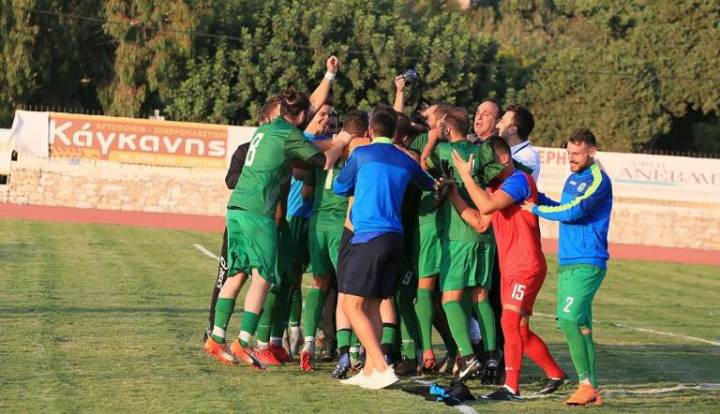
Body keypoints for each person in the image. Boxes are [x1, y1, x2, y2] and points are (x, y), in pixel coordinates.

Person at [203, 88, 352, 368]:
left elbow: (295, 156)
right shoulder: (289, 133)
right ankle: (243, 342)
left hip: (236, 208)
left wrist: (326, 142)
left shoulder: (265, 130)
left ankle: (216, 337)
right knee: (263, 278)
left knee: (237, 273)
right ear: (299, 115)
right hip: (259, 212)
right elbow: (324, 162)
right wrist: (341, 141)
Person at [451, 137, 565, 400]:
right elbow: (480, 222)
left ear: (504, 158)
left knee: (509, 321)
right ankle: (555, 373)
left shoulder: (519, 181)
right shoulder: (497, 187)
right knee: (519, 329)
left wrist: (466, 177)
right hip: (511, 268)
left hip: (526, 264)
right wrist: (454, 196)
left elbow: (487, 205)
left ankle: (511, 387)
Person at [333, 105, 436, 390]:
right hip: (395, 239)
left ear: (369, 131)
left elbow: (339, 187)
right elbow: (429, 183)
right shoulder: (405, 159)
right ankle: (369, 371)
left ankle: (380, 366)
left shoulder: (362, 154)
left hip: (369, 237)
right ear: (395, 132)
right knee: (374, 304)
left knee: (352, 304)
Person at [522, 128, 612, 407]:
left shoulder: (599, 180)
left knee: (569, 318)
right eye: (569, 153)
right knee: (578, 324)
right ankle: (592, 388)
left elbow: (574, 212)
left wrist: (535, 209)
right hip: (568, 262)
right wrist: (539, 198)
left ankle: (585, 383)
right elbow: (564, 206)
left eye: (577, 153)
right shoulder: (573, 178)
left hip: (588, 261)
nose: (571, 158)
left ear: (592, 152)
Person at [301, 109, 370, 373]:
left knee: (318, 284)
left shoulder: (326, 148)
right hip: (343, 224)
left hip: (317, 224)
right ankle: (349, 348)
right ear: (365, 132)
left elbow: (305, 192)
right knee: (347, 288)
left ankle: (308, 343)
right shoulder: (361, 153)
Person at [496, 105, 541, 182]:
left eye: (502, 122)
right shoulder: (508, 151)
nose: (497, 126)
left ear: (512, 129)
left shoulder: (528, 155)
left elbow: (501, 176)